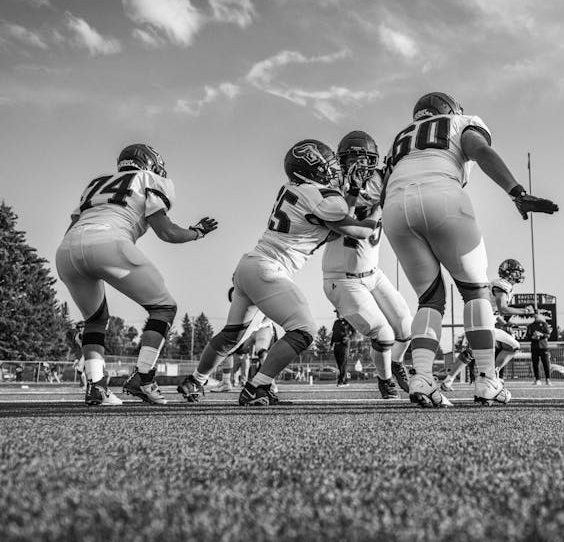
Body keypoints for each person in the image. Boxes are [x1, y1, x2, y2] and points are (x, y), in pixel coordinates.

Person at [382, 92, 558, 407]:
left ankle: (422, 377)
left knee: (430, 299)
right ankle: (488, 380)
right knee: (476, 292)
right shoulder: (460, 122)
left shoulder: (401, 138)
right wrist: (516, 192)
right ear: (450, 110)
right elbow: (479, 149)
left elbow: (385, 184)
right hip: (443, 196)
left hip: (394, 208)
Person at [177, 139, 378, 406]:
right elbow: (358, 230)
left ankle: (195, 380)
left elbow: (333, 229)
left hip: (250, 265)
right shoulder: (322, 197)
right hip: (269, 270)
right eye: (326, 165)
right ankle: (256, 387)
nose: (332, 170)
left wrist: (352, 191)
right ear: (312, 168)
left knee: (233, 335)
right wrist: (380, 207)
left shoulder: (297, 189)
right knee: (304, 331)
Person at [56, 143, 217, 406]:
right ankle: (143, 377)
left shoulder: (96, 183)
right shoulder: (148, 179)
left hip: (67, 250)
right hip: (109, 241)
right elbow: (167, 232)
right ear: (151, 164)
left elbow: (74, 227)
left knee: (95, 321)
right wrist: (196, 232)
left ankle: (96, 387)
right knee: (164, 308)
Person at [322, 130, 414, 400]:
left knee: (405, 329)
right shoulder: (332, 186)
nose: (359, 164)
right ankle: (385, 381)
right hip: (343, 277)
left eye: (365, 159)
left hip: (373, 274)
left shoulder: (382, 180)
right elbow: (346, 214)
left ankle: (396, 364)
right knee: (383, 334)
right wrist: (357, 191)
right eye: (352, 158)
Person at [441, 258, 532, 390]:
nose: (519, 275)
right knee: (513, 346)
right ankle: (491, 375)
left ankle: (448, 380)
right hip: (484, 322)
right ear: (509, 273)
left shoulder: (500, 284)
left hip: (482, 318)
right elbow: (503, 308)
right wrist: (524, 311)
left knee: (471, 351)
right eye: (517, 272)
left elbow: (494, 309)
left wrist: (502, 322)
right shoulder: (502, 285)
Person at [527, 314, 552, 385]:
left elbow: (548, 335)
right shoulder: (531, 326)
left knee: (546, 363)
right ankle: (537, 379)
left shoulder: (544, 324)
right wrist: (533, 337)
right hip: (534, 347)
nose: (536, 316)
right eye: (535, 315)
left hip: (543, 347)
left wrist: (541, 334)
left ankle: (548, 379)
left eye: (537, 315)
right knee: (535, 364)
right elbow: (528, 337)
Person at [331, 316, 353, 387]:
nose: (337, 314)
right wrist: (331, 343)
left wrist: (349, 338)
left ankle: (341, 381)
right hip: (336, 345)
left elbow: (354, 332)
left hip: (344, 346)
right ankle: (345, 380)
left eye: (338, 312)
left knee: (343, 363)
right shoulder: (336, 322)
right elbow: (334, 333)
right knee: (339, 364)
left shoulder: (348, 321)